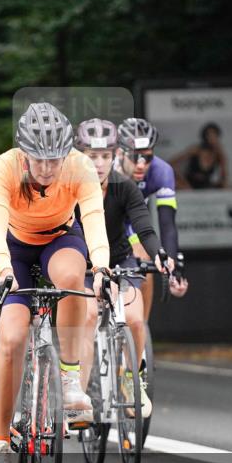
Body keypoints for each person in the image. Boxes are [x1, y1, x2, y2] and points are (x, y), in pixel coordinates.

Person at [0, 103, 110, 463]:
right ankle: (0, 442)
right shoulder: (4, 167)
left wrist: (101, 265)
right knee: (14, 337)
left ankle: (70, 379)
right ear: (23, 152)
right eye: (39, 160)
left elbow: (93, 218)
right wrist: (2, 268)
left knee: (74, 279)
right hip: (13, 249)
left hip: (59, 239)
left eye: (55, 159)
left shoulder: (79, 167)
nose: (47, 168)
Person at [75, 118, 171, 419]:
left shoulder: (125, 186)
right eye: (92, 156)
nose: (100, 164)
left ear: (114, 155)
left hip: (119, 260)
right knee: (89, 315)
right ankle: (77, 396)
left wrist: (160, 255)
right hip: (83, 262)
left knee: (134, 318)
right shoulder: (69, 187)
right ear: (80, 156)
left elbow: (144, 227)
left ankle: (131, 380)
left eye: (105, 156)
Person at [115, 118, 189, 323]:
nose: (141, 165)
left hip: (134, 223)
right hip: (106, 221)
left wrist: (173, 269)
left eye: (147, 158)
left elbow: (167, 224)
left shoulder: (162, 171)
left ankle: (140, 331)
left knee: (145, 261)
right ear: (120, 153)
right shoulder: (106, 168)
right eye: (135, 156)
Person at [170, 122, 229, 189]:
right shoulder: (196, 150)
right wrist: (182, 180)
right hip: (189, 184)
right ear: (205, 137)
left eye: (214, 135)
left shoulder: (219, 153)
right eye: (209, 135)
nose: (212, 138)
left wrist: (223, 156)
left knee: (226, 186)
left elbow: (224, 175)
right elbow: (171, 163)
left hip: (205, 185)